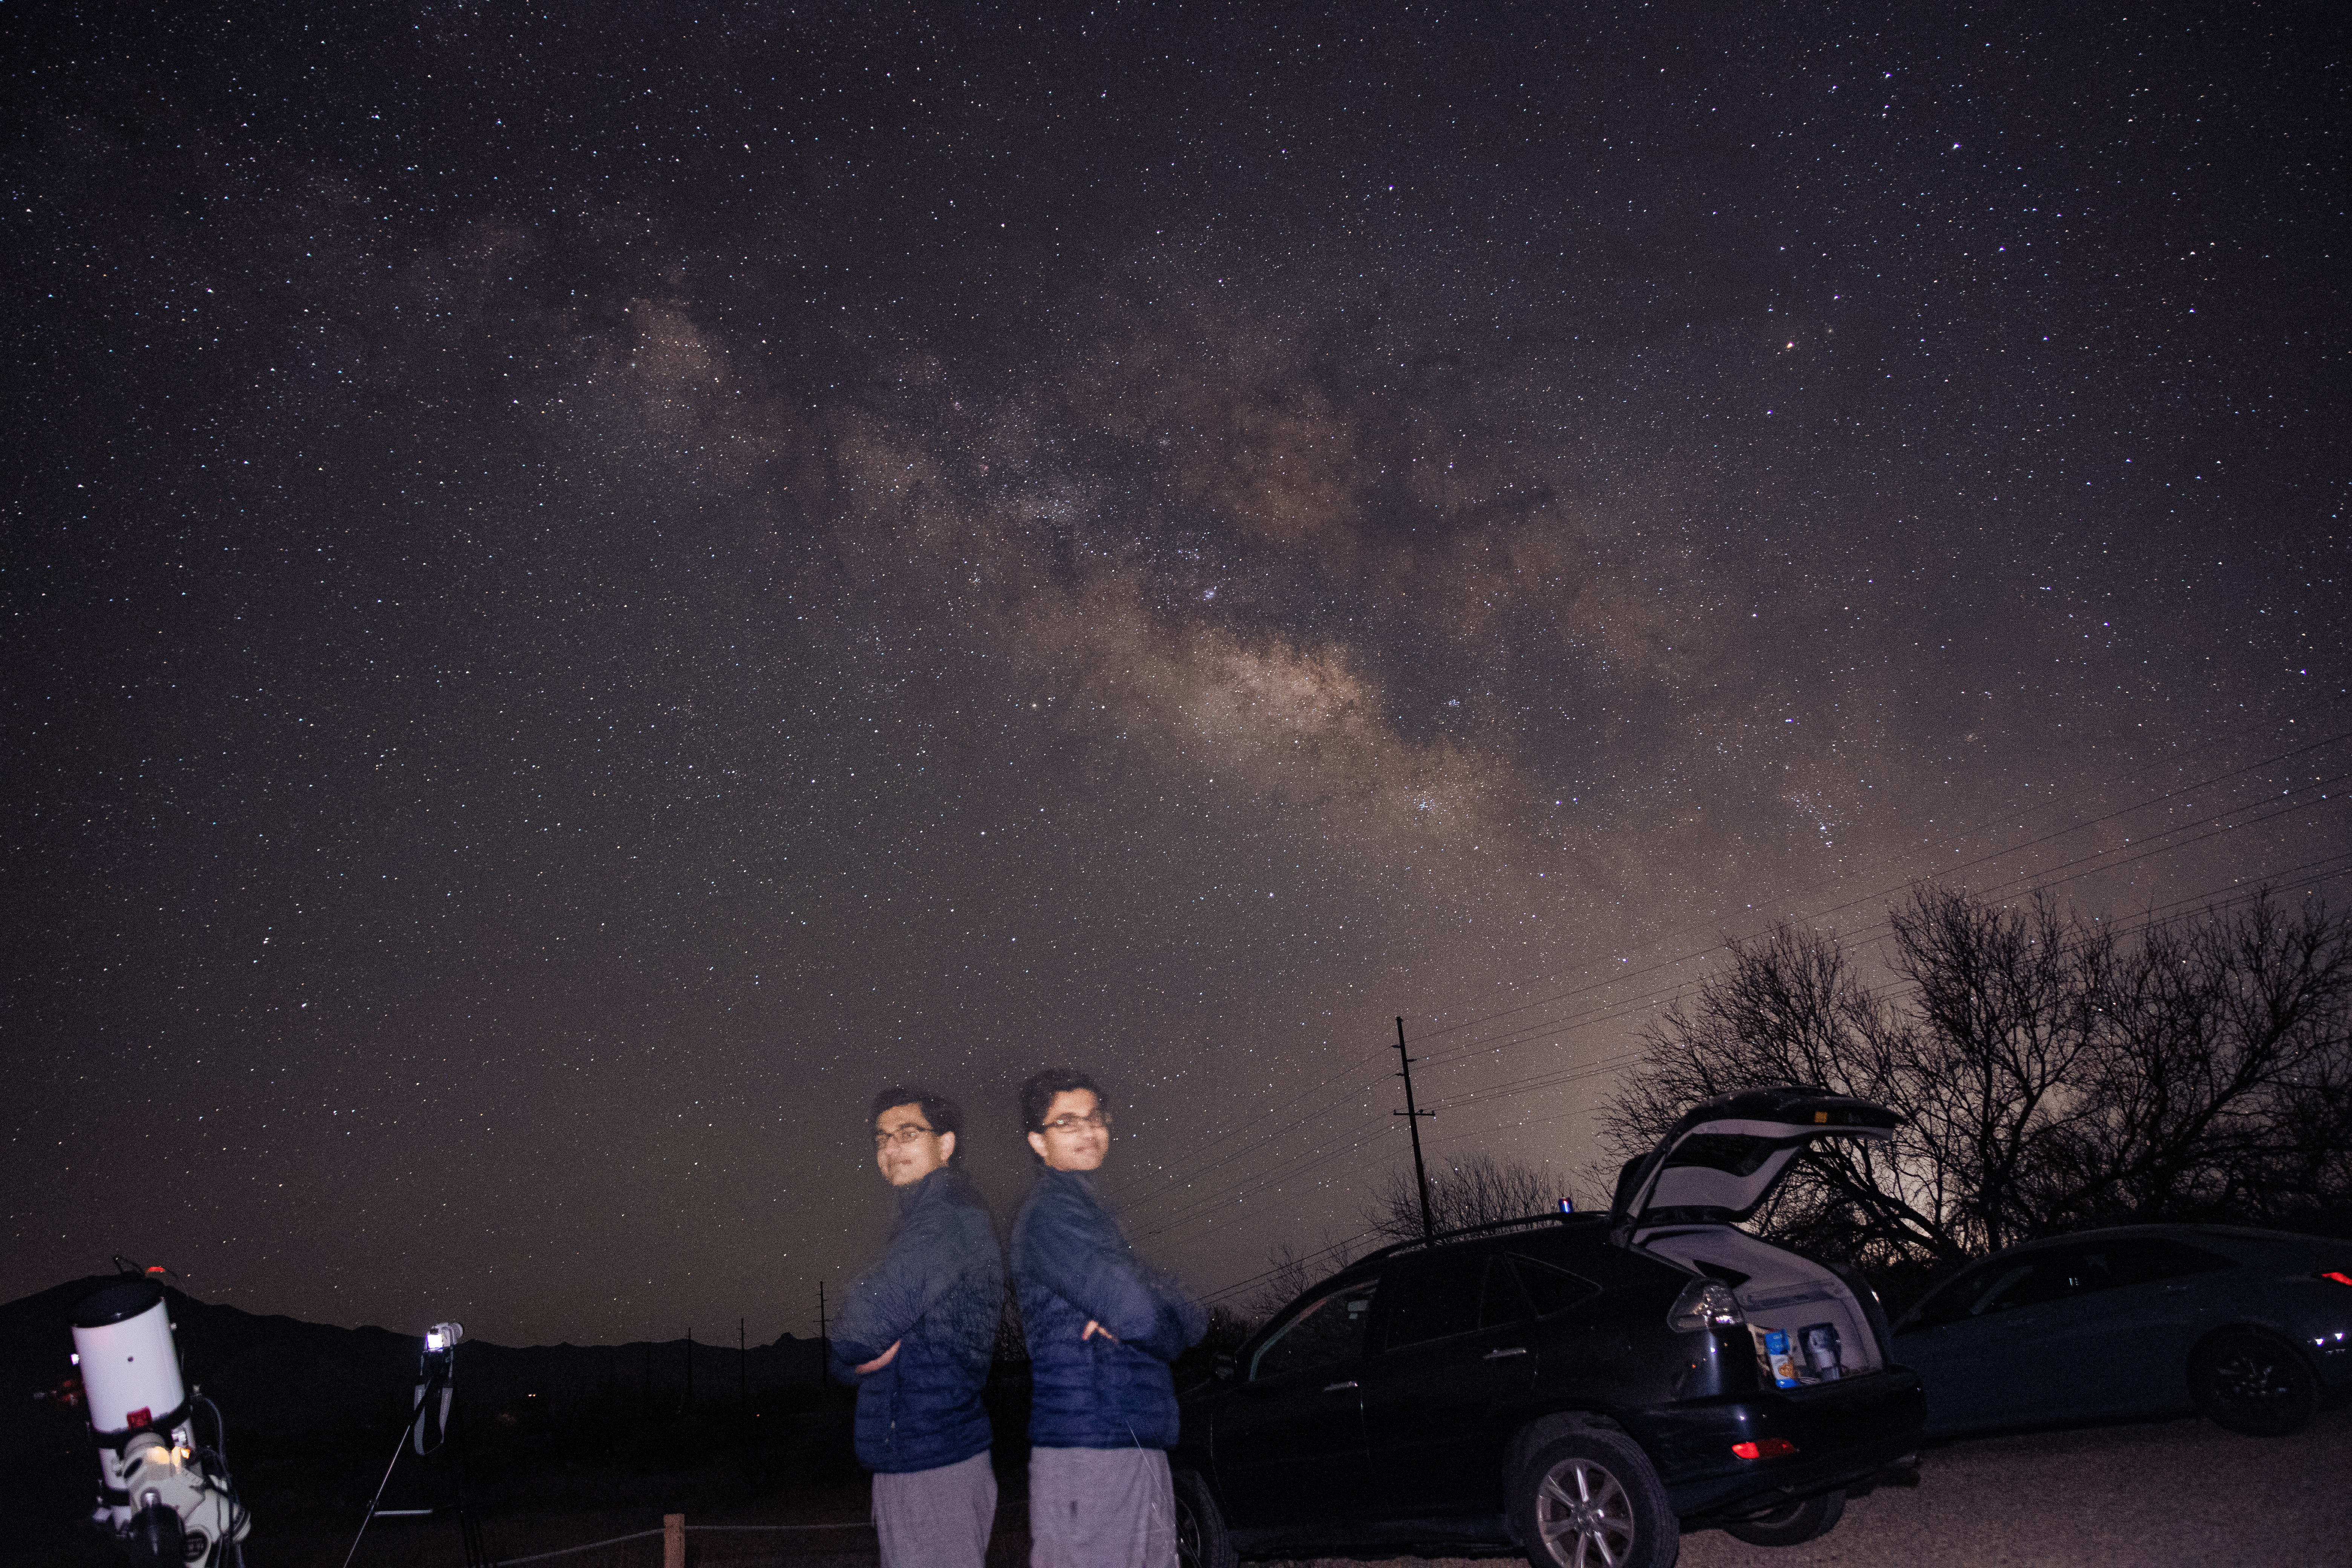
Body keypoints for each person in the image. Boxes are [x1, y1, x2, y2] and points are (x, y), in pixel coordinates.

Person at [1009, 1068, 1207, 1568]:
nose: (1088, 1132)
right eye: (1067, 1122)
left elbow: (1194, 1313)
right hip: (1090, 1443)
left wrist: (1153, 1307)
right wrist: (1153, 1311)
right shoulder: (1053, 1216)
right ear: (1038, 1141)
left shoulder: (1097, 1215)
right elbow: (1141, 1315)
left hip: (1133, 1433)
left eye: (1095, 1118)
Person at [830, 1087, 1004, 1568]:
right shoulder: (919, 1219)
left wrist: (859, 1345)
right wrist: (860, 1355)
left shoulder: (946, 1216)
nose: (891, 1147)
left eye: (909, 1133)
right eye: (882, 1137)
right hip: (916, 1454)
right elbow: (848, 1352)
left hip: (934, 1460)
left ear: (945, 1144)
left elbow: (857, 1329)